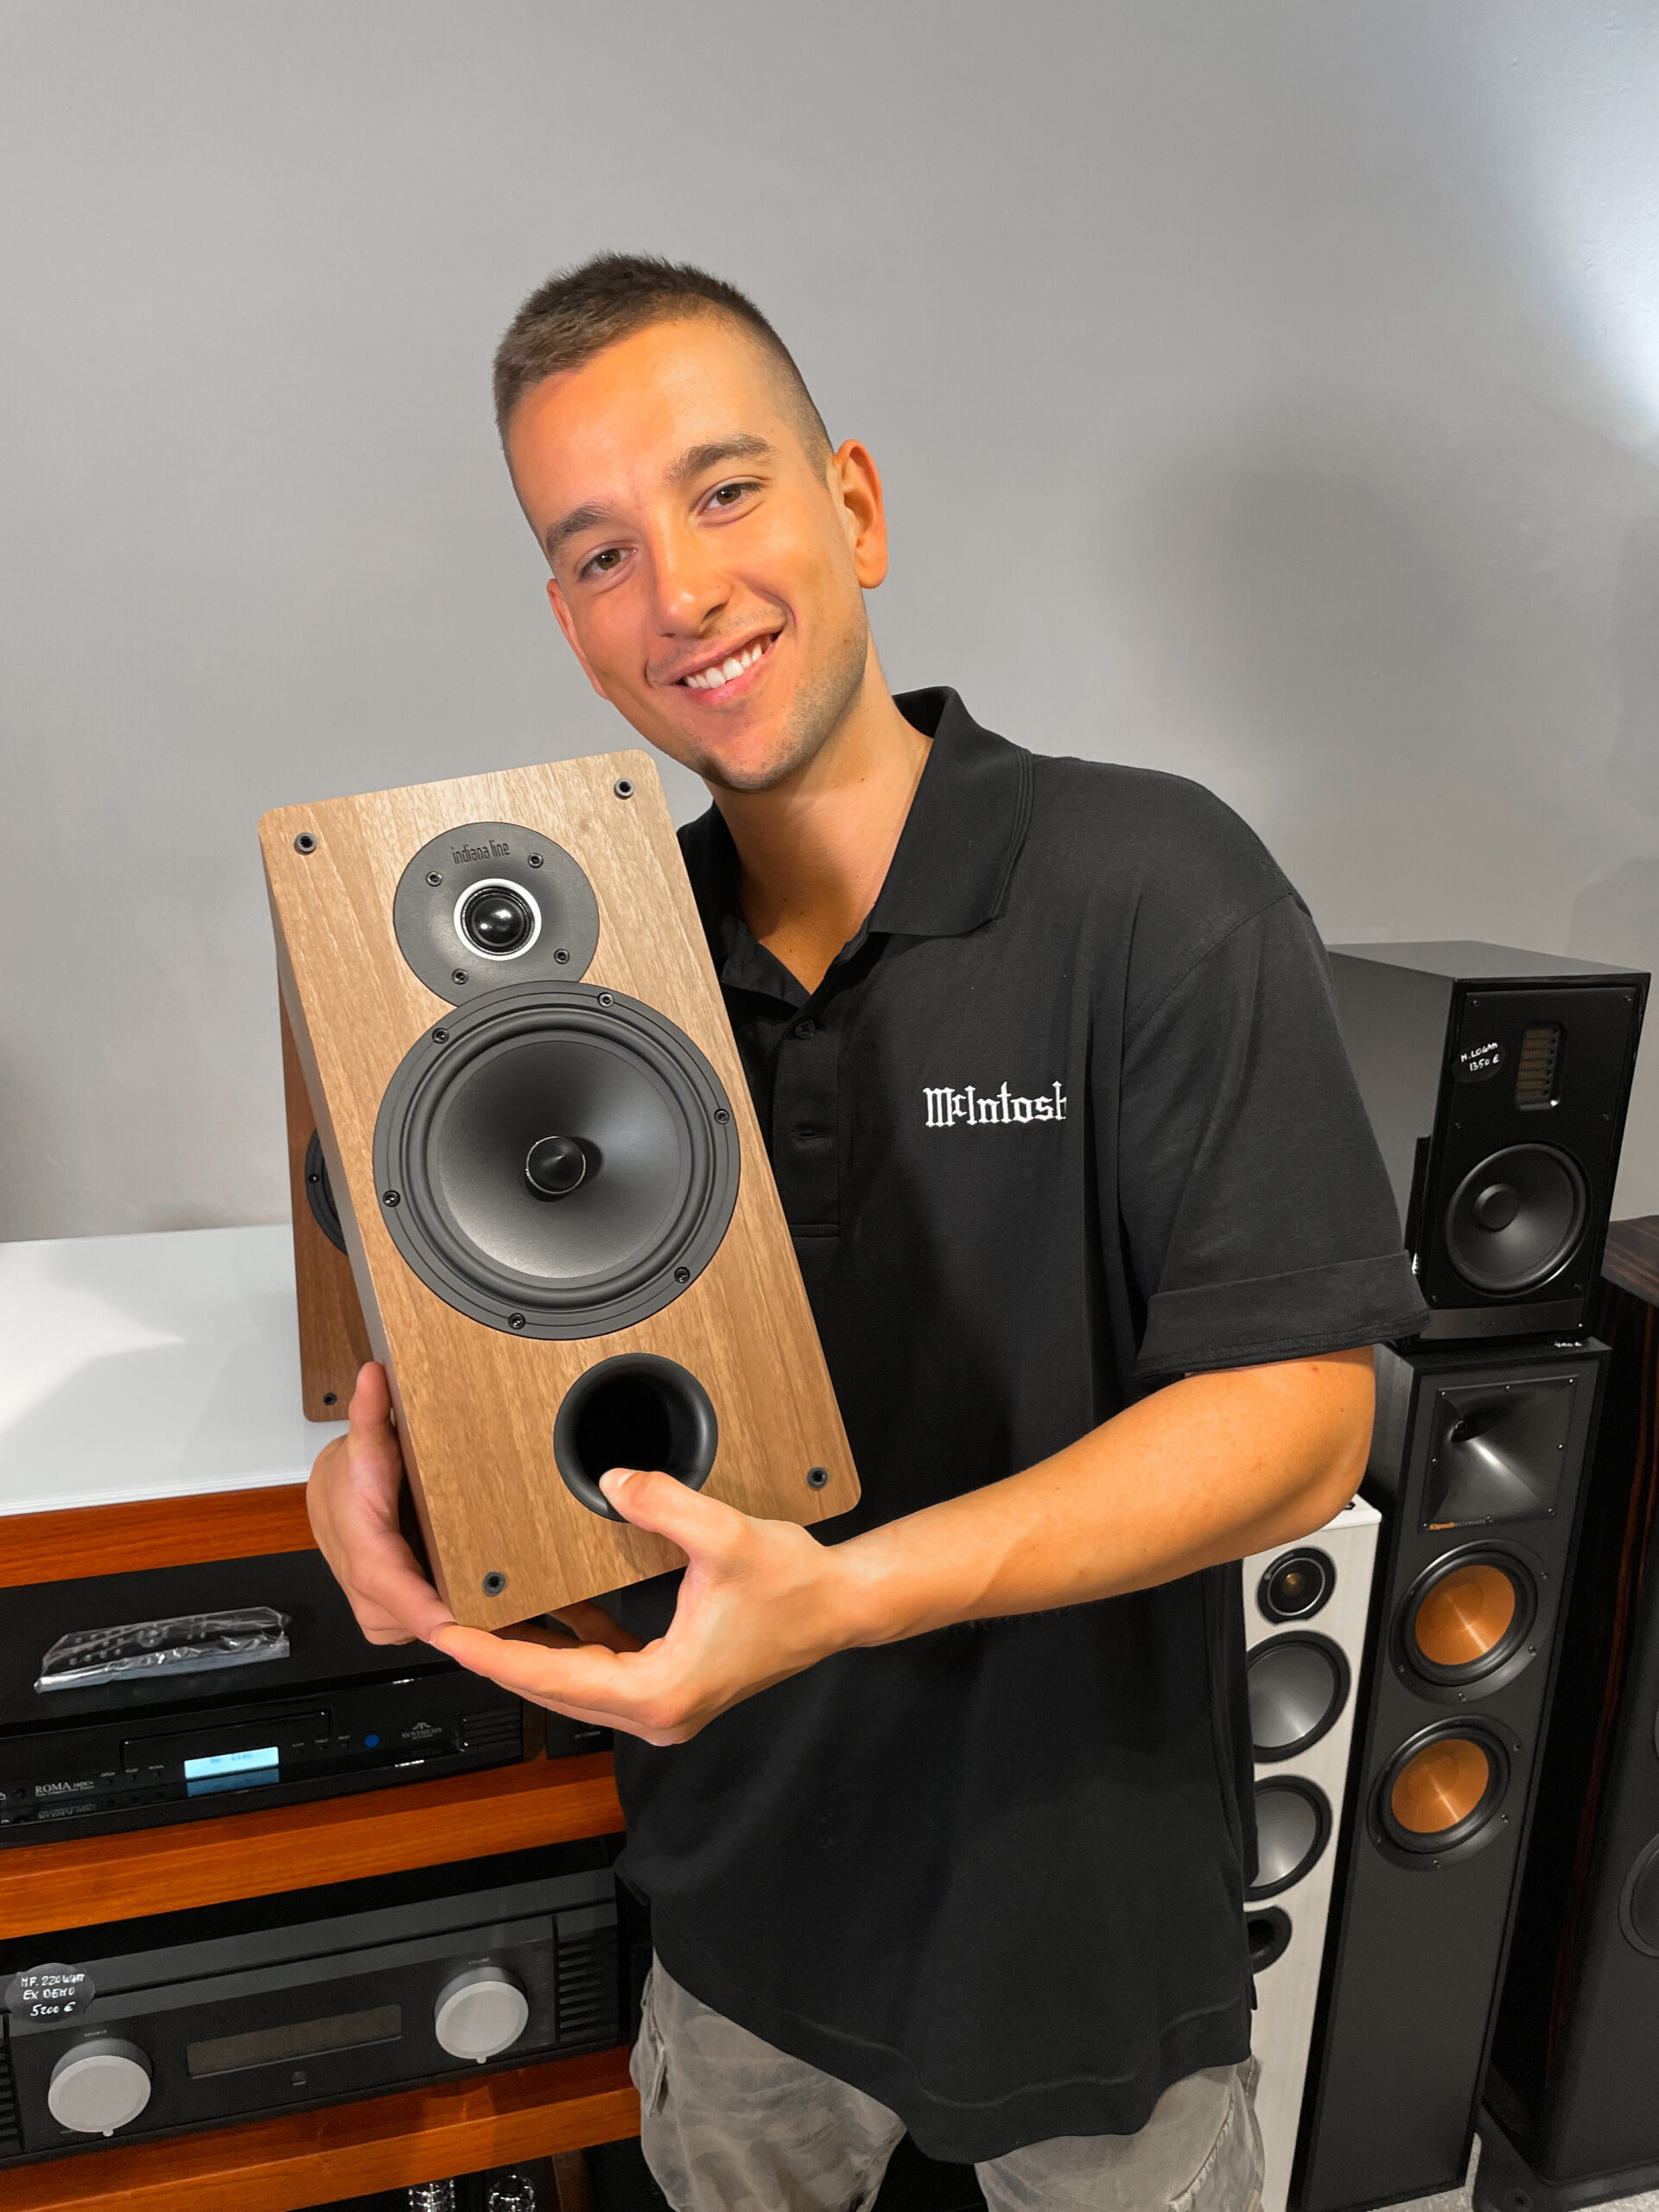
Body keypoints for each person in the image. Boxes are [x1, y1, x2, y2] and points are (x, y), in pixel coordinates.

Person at [307, 255, 1427, 2212]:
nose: (680, 592)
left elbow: (1301, 1420)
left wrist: (847, 1592)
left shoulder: (1152, 884)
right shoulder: (577, 981)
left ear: (856, 505)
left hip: (1088, 1933)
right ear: (570, 623)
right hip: (738, 1931)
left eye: (726, 491)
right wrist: (368, 1459)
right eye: (600, 552)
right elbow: (432, 1306)